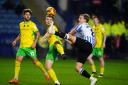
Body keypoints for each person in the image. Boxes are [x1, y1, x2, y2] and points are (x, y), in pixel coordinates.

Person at [49, 13, 97, 85]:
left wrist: (59, 36)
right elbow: (95, 40)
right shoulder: (91, 28)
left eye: (80, 18)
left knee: (70, 37)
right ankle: (92, 79)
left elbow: (71, 34)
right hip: (88, 48)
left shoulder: (81, 25)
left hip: (86, 44)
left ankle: (53, 32)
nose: (79, 19)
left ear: (85, 20)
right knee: (78, 68)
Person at [8, 9, 50, 84]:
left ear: (30, 16)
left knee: (35, 62)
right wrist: (15, 40)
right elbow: (21, 34)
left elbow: (38, 34)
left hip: (30, 47)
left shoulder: (32, 24)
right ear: (24, 15)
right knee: (18, 61)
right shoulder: (20, 24)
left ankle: (45, 72)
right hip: (22, 47)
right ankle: (16, 78)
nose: (28, 16)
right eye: (26, 14)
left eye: (29, 15)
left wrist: (35, 43)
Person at [40, 15, 65, 85]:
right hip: (52, 49)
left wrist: (43, 39)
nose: (48, 20)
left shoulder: (53, 27)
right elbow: (44, 38)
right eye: (47, 19)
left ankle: (62, 53)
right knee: (47, 66)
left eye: (50, 19)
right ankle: (56, 82)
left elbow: (49, 33)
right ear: (45, 20)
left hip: (56, 45)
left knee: (55, 43)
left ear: (52, 21)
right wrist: (42, 39)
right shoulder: (49, 28)